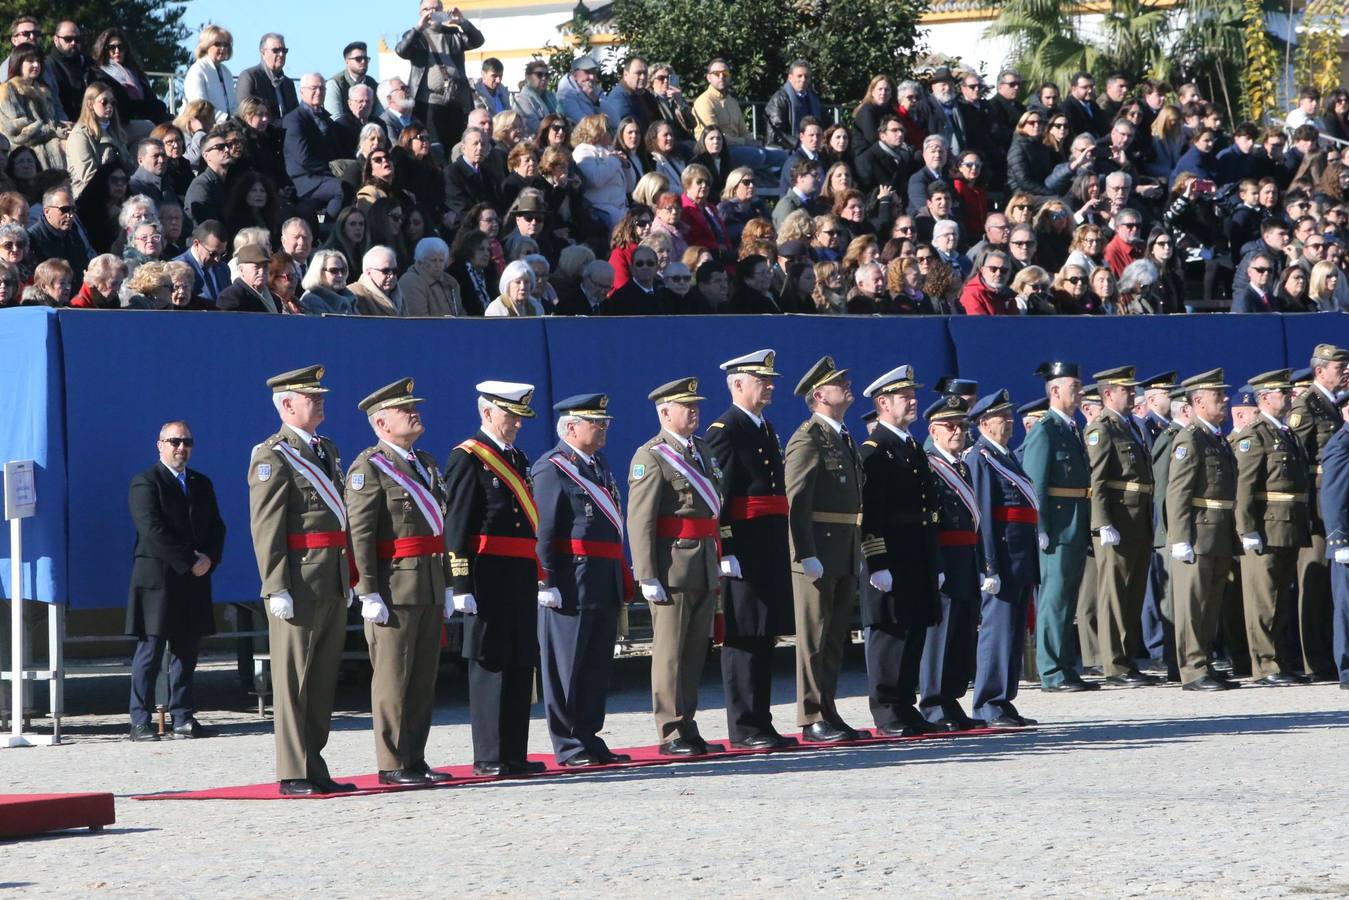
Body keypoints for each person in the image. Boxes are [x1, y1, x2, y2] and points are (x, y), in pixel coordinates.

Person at [246, 365, 356, 795]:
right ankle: (292, 770)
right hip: (299, 579)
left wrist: (347, 574)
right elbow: (266, 527)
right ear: (287, 404)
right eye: (311, 396)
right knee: (293, 681)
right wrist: (276, 586)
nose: (321, 400)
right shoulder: (272, 455)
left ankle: (314, 762)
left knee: (322, 677)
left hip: (329, 577)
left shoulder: (326, 449)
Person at [343, 378, 453, 784]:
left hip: (427, 584)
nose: (414, 412)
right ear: (381, 423)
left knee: (423, 679)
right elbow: (360, 535)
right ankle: (392, 763)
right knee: (392, 680)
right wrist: (367, 590)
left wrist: (448, 582)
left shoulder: (425, 462)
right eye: (404, 409)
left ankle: (415, 758)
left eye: (413, 406)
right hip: (393, 588)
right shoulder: (368, 468)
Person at [443, 381, 545, 776]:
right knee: (490, 662)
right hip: (485, 573)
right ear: (487, 413)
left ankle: (514, 753)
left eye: (520, 416)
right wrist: (461, 583)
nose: (517, 423)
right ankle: (489, 756)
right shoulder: (467, 457)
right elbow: (457, 525)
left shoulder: (517, 457)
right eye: (510, 415)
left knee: (521, 660)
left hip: (518, 572)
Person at [532, 393, 632, 767]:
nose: (603, 428)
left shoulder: (598, 464)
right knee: (567, 668)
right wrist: (547, 580)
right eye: (596, 422)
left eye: (605, 422)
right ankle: (568, 744)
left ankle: (588, 736)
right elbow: (544, 529)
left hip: (601, 577)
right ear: (571, 427)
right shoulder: (552, 468)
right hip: (571, 580)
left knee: (595, 665)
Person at [626, 376, 724, 755]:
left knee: (695, 649)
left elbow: (714, 505)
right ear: (665, 412)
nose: (695, 411)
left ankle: (688, 723)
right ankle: (669, 730)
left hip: (703, 561)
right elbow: (641, 519)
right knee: (670, 653)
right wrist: (646, 573)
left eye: (696, 405)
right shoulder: (650, 456)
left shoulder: (702, 450)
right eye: (687, 406)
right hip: (673, 565)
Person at [703, 351, 795, 749]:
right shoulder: (726, 430)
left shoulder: (764, 427)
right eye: (763, 380)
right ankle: (744, 726)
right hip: (744, 545)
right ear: (738, 384)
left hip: (768, 542)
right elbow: (720, 495)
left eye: (771, 379)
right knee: (743, 636)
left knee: (763, 634)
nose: (771, 385)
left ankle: (762, 720)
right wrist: (727, 546)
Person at [125, 420, 225, 743]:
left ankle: (183, 716)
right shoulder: (146, 482)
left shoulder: (201, 483)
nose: (181, 447)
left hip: (194, 581)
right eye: (174, 441)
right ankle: (140, 720)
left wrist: (209, 558)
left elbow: (217, 528)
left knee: (186, 652)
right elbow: (152, 530)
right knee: (150, 651)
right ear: (160, 445)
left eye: (187, 442)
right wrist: (189, 560)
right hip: (159, 581)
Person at [782, 356, 864, 742]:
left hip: (843, 549)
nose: (848, 385)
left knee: (835, 637)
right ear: (819, 394)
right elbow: (796, 501)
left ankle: (828, 710)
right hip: (818, 551)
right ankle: (811, 715)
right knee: (813, 638)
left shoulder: (841, 435)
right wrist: (804, 552)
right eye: (839, 382)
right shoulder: (808, 438)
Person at [1021, 361, 1098, 692]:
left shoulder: (1070, 428)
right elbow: (1035, 481)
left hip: (1075, 523)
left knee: (1068, 601)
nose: (1079, 393)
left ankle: (1066, 666)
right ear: (1054, 391)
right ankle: (1051, 671)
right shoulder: (1045, 429)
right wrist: (1038, 525)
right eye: (1074, 387)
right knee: (1053, 600)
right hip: (1057, 526)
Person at [963, 390, 1040, 726]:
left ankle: (1005, 700)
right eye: (1001, 417)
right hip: (1003, 559)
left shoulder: (1005, 455)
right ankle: (988, 703)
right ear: (983, 423)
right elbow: (984, 516)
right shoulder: (980, 458)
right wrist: (988, 564)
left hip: (1021, 558)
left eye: (1009, 416)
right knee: (997, 632)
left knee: (1013, 634)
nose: (1009, 422)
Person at [1232, 369, 1312, 685]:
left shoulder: (1285, 433)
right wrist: (1246, 528)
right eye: (1284, 393)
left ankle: (1279, 658)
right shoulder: (1255, 435)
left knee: (1280, 598)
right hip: (1265, 526)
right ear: (1265, 398)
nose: (1290, 398)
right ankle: (1265, 664)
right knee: (1263, 599)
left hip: (1288, 525)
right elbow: (1244, 487)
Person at [1083, 366, 1159, 687]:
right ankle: (1113, 663)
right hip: (1118, 518)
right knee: (1114, 593)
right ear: (1109, 394)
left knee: (1133, 592)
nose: (1133, 394)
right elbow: (1097, 479)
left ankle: (1127, 659)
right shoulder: (1103, 428)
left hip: (1138, 517)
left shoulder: (1131, 426)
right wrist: (1102, 522)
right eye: (1126, 390)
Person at [1166, 369, 1240, 692]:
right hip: (1198, 532)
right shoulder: (1190, 439)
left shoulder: (1216, 438)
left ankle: (1204, 661)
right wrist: (1180, 538)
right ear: (1198, 401)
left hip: (1219, 532)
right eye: (1217, 396)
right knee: (1192, 605)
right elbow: (1177, 492)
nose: (1224, 401)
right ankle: (1192, 670)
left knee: (1210, 604)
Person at [1290, 344, 1349, 680]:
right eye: (1339, 366)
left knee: (1334, 590)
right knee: (1312, 581)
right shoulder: (1306, 405)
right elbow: (1296, 461)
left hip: (1336, 505)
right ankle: (1314, 660)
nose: (1345, 370)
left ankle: (1331, 652)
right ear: (1319, 369)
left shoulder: (1336, 402)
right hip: (1316, 507)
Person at [396, 0, 484, 146]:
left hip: (456, 101)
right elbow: (401, 51)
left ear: (443, 11)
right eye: (427, 9)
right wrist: (418, 28)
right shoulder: (415, 36)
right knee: (435, 146)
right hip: (429, 102)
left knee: (457, 145)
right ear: (420, 13)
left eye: (436, 9)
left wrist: (461, 22)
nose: (431, 13)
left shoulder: (453, 33)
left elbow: (478, 41)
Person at [0, 45, 70, 171]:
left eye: (38, 61)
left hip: (48, 143)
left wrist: (64, 128)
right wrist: (54, 132)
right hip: (22, 149)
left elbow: (51, 122)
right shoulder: (8, 90)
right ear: (18, 62)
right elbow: (18, 132)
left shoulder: (43, 91)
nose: (36, 65)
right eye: (30, 61)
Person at [283, 75, 342, 219]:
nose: (318, 92)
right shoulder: (293, 119)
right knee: (342, 188)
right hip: (305, 180)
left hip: (324, 177)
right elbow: (303, 158)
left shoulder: (328, 120)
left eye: (322, 88)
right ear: (302, 92)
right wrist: (332, 170)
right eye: (313, 88)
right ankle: (327, 226)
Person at [66, 84, 130, 199]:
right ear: (90, 104)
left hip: (117, 192)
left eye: (113, 102)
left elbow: (129, 166)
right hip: (87, 196)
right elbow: (87, 175)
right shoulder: (80, 134)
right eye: (104, 102)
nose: (109, 106)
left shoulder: (115, 132)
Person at [28, 186, 94, 283]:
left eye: (73, 209)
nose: (70, 215)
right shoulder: (32, 239)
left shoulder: (74, 237)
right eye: (64, 209)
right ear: (47, 211)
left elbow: (82, 271)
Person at [234, 33, 298, 122]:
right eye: (276, 50)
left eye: (284, 50)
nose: (281, 54)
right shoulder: (250, 77)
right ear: (263, 52)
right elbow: (244, 114)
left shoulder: (288, 84)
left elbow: (295, 117)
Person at [765, 60, 823, 150]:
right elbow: (775, 133)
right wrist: (800, 145)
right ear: (790, 78)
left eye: (806, 77)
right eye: (799, 76)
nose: (803, 80)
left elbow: (824, 123)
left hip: (809, 147)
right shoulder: (779, 99)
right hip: (783, 149)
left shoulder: (813, 99)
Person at [182, 25, 236, 121]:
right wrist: (226, 119)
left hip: (227, 126)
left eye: (226, 44)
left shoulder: (226, 72)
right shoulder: (197, 70)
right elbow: (199, 106)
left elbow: (233, 105)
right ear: (206, 45)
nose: (223, 48)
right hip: (203, 127)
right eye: (218, 44)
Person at [184, 128, 234, 225]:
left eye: (228, 145)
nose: (227, 150)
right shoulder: (201, 185)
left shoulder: (231, 181)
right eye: (220, 147)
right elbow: (204, 225)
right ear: (206, 155)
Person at [325, 41, 382, 121]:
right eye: (358, 59)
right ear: (347, 61)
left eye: (366, 59)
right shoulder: (335, 84)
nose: (363, 62)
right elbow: (335, 118)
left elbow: (380, 116)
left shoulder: (373, 84)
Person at [216, 243, 279, 313]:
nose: (262, 272)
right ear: (241, 270)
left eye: (265, 267)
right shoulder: (230, 298)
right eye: (256, 267)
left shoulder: (275, 300)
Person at [297, 248, 357, 314]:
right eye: (334, 270)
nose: (340, 275)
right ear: (318, 272)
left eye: (342, 270)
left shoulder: (349, 298)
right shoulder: (311, 300)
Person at [511, 61, 556, 136]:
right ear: (528, 77)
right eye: (539, 75)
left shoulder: (551, 97)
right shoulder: (522, 99)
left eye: (547, 75)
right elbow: (534, 128)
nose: (544, 78)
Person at [558, 54, 603, 126]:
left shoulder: (595, 89)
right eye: (587, 72)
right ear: (574, 74)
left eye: (594, 72)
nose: (592, 77)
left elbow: (615, 121)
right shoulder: (565, 94)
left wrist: (595, 100)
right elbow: (583, 124)